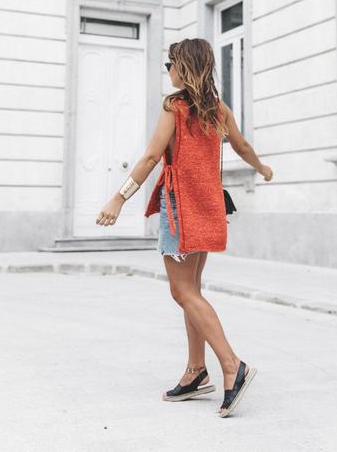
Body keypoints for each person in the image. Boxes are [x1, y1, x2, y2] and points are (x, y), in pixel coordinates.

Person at [96, 38, 273, 417]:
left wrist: (118, 198)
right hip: (208, 207)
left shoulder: (174, 107)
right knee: (192, 290)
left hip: (179, 211)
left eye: (170, 64)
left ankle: (231, 365)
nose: (168, 71)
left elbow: (150, 157)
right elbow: (240, 146)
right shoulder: (219, 110)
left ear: (184, 68)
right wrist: (261, 168)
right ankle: (196, 372)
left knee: (181, 292)